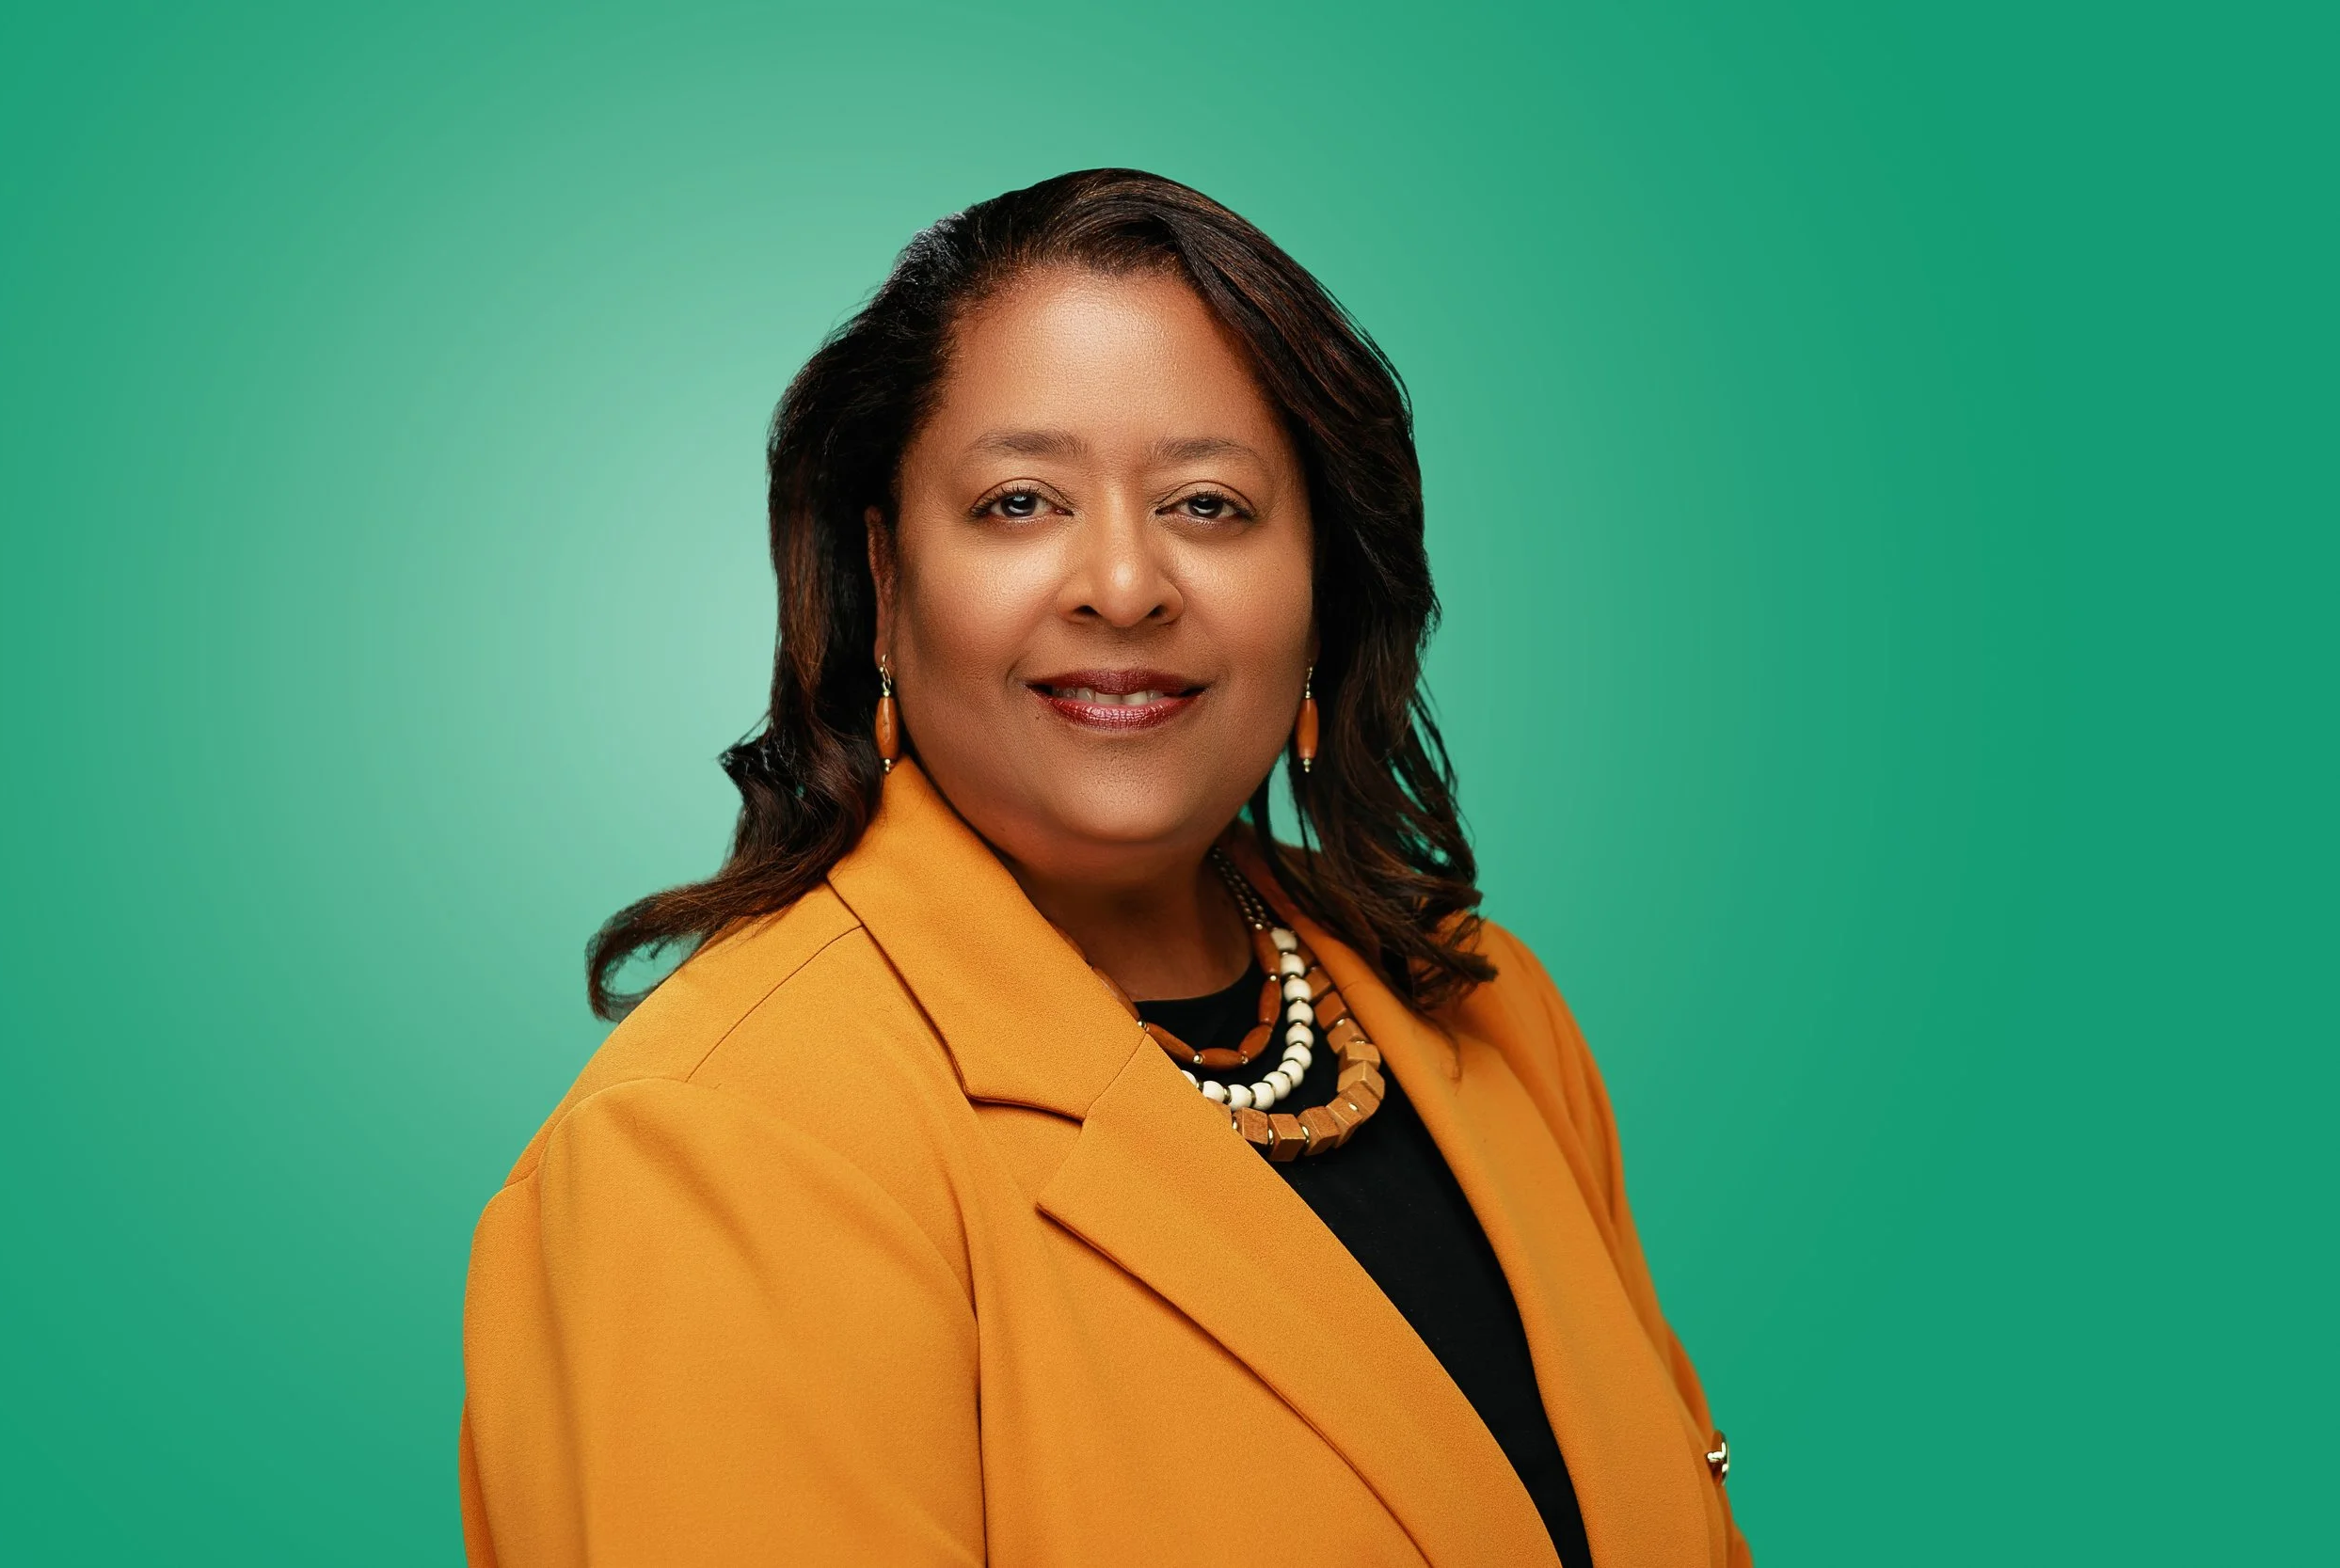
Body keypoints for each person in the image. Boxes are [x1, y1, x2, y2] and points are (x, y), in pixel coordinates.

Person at [459, 168, 1750, 1568]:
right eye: (1020, 502)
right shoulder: (721, 1143)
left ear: (1323, 583)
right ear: (884, 584)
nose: (1124, 584)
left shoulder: (1494, 1016)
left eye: (1209, 505)